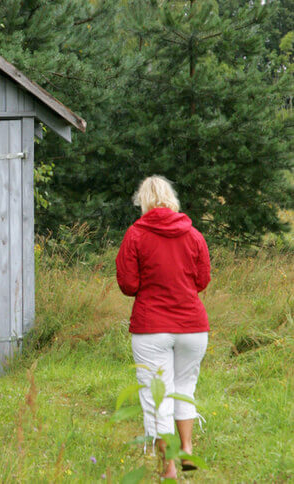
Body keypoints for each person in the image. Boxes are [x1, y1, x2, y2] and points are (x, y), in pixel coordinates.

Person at [115, 175, 211, 480]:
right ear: (171, 198)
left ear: (142, 201)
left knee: (157, 395)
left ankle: (168, 466)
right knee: (185, 389)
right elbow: (202, 280)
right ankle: (186, 448)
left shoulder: (136, 234)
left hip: (151, 326)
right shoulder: (193, 234)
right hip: (192, 326)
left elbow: (128, 284)